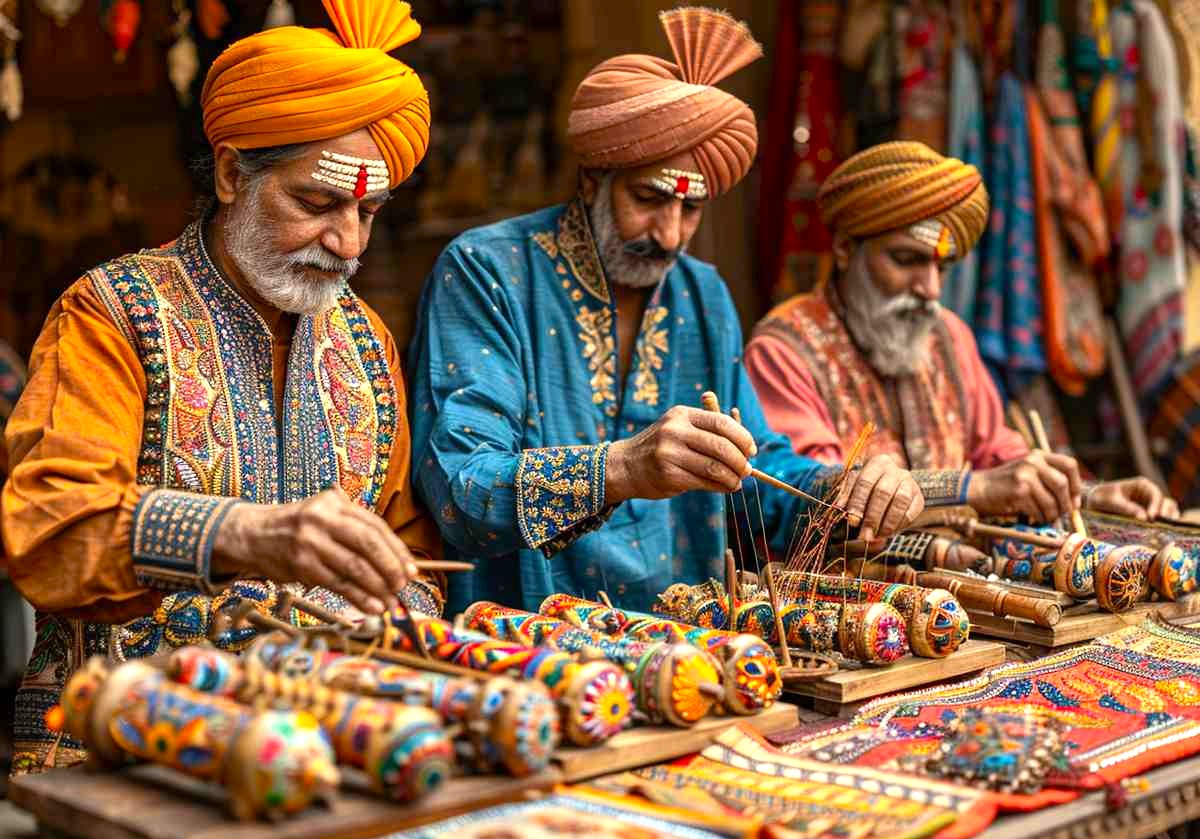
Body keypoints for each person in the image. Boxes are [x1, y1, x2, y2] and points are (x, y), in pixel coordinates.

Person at [1, 0, 440, 774]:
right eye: (317, 202)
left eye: (368, 212)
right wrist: (241, 533)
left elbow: (407, 545)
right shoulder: (113, 314)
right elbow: (50, 528)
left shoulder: (366, 339)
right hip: (126, 764)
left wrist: (399, 607)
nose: (348, 242)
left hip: (320, 761)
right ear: (235, 172)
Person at [408, 8, 924, 615]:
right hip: (527, 641)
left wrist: (847, 488)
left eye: (692, 210)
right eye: (649, 200)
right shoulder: (486, 270)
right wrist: (623, 468)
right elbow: (460, 489)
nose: (671, 234)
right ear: (594, 178)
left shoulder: (702, 293)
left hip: (690, 639)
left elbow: (756, 473)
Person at [744, 141, 1178, 529]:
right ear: (843, 249)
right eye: (907, 259)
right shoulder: (784, 350)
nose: (930, 289)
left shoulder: (948, 336)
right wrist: (974, 488)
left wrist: (1089, 497)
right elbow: (816, 496)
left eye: (941, 269)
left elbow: (1002, 460)